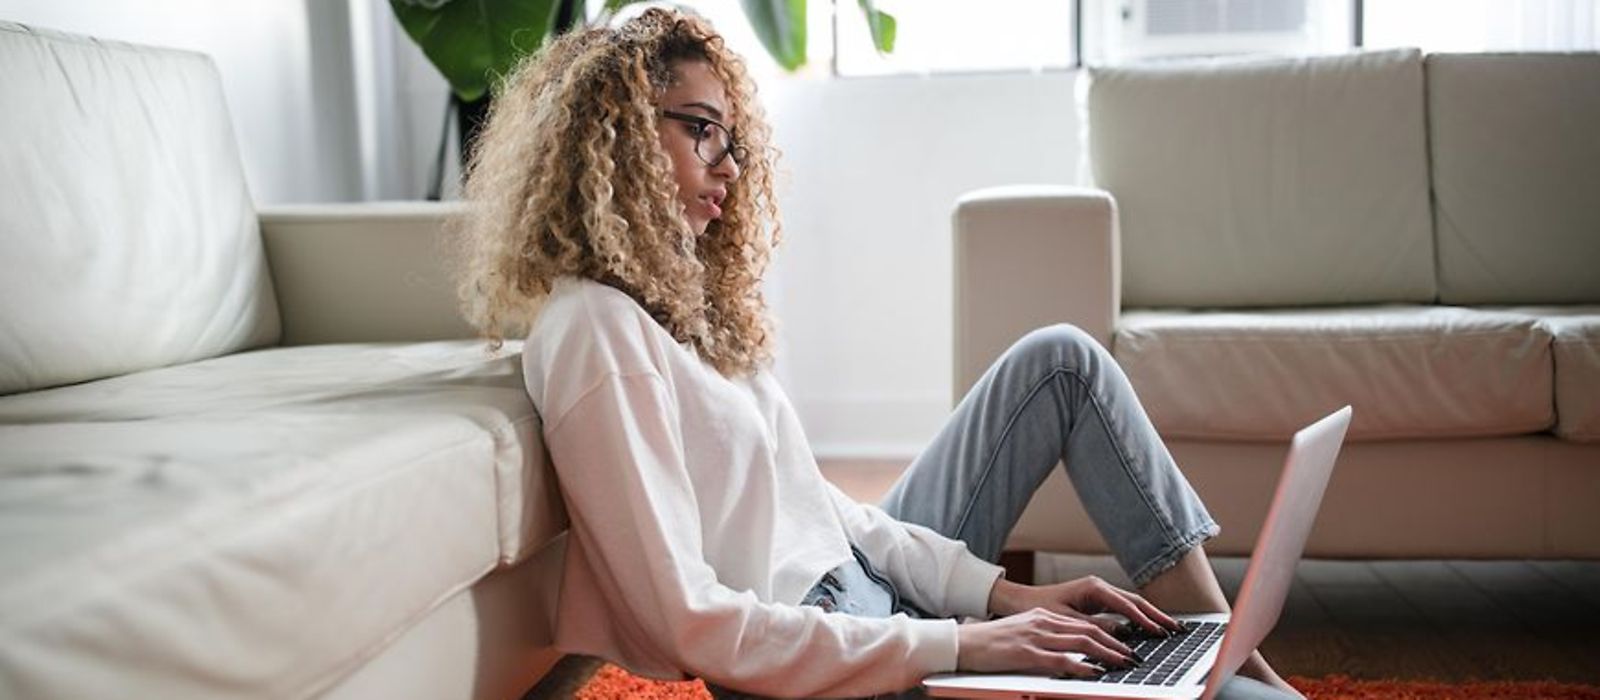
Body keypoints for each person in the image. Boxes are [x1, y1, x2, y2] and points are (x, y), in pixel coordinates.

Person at [455, 7, 1301, 699]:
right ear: (619, 136)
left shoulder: (686, 311)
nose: (730, 168)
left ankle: (1218, 647)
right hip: (827, 659)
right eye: (702, 131)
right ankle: (1224, 676)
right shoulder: (595, 331)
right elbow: (691, 620)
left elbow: (826, 512)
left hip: (869, 601)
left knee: (1061, 361)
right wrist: (960, 647)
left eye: (733, 141)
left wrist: (1001, 597)